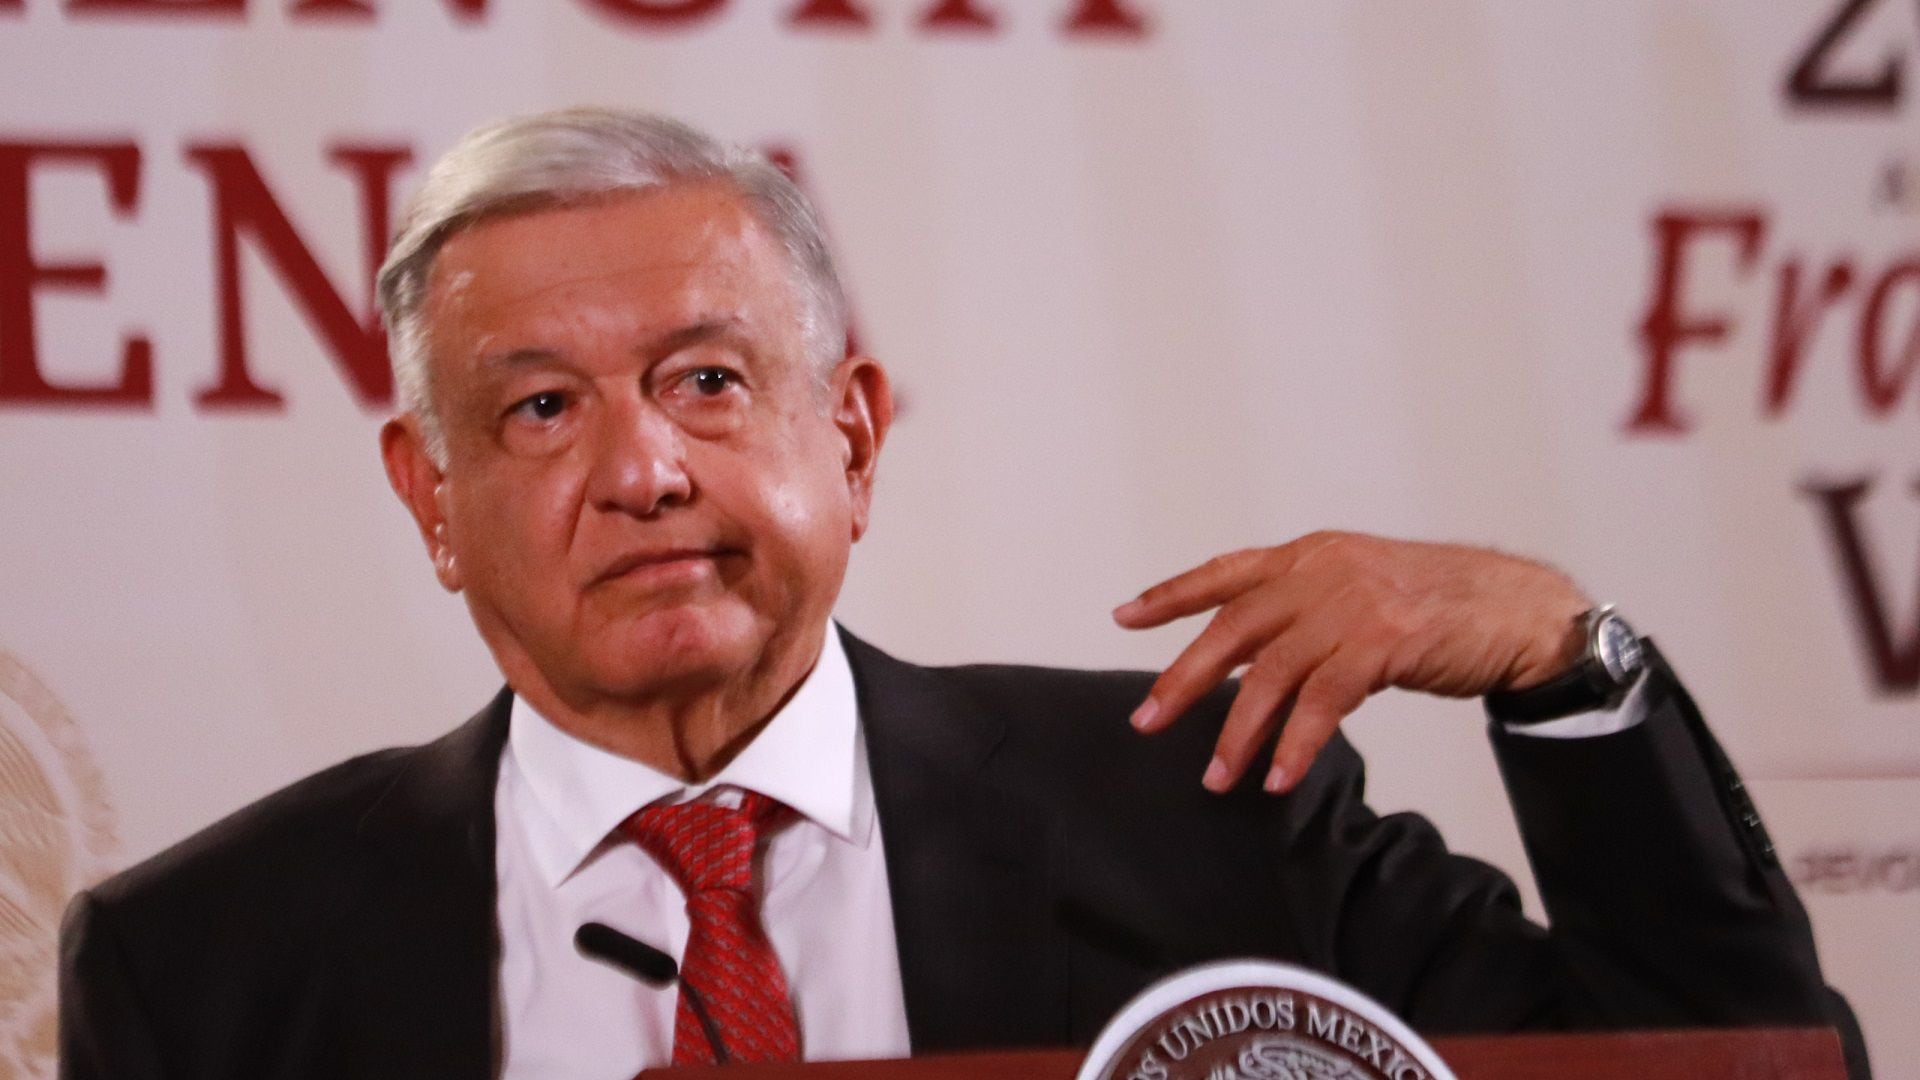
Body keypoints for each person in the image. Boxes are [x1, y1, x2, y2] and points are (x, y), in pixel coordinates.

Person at [58, 108, 1864, 1080]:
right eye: (540, 409)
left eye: (706, 380)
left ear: (850, 437)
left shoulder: (1212, 800)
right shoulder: (209, 965)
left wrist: (1569, 669)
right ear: (430, 501)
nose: (642, 470)